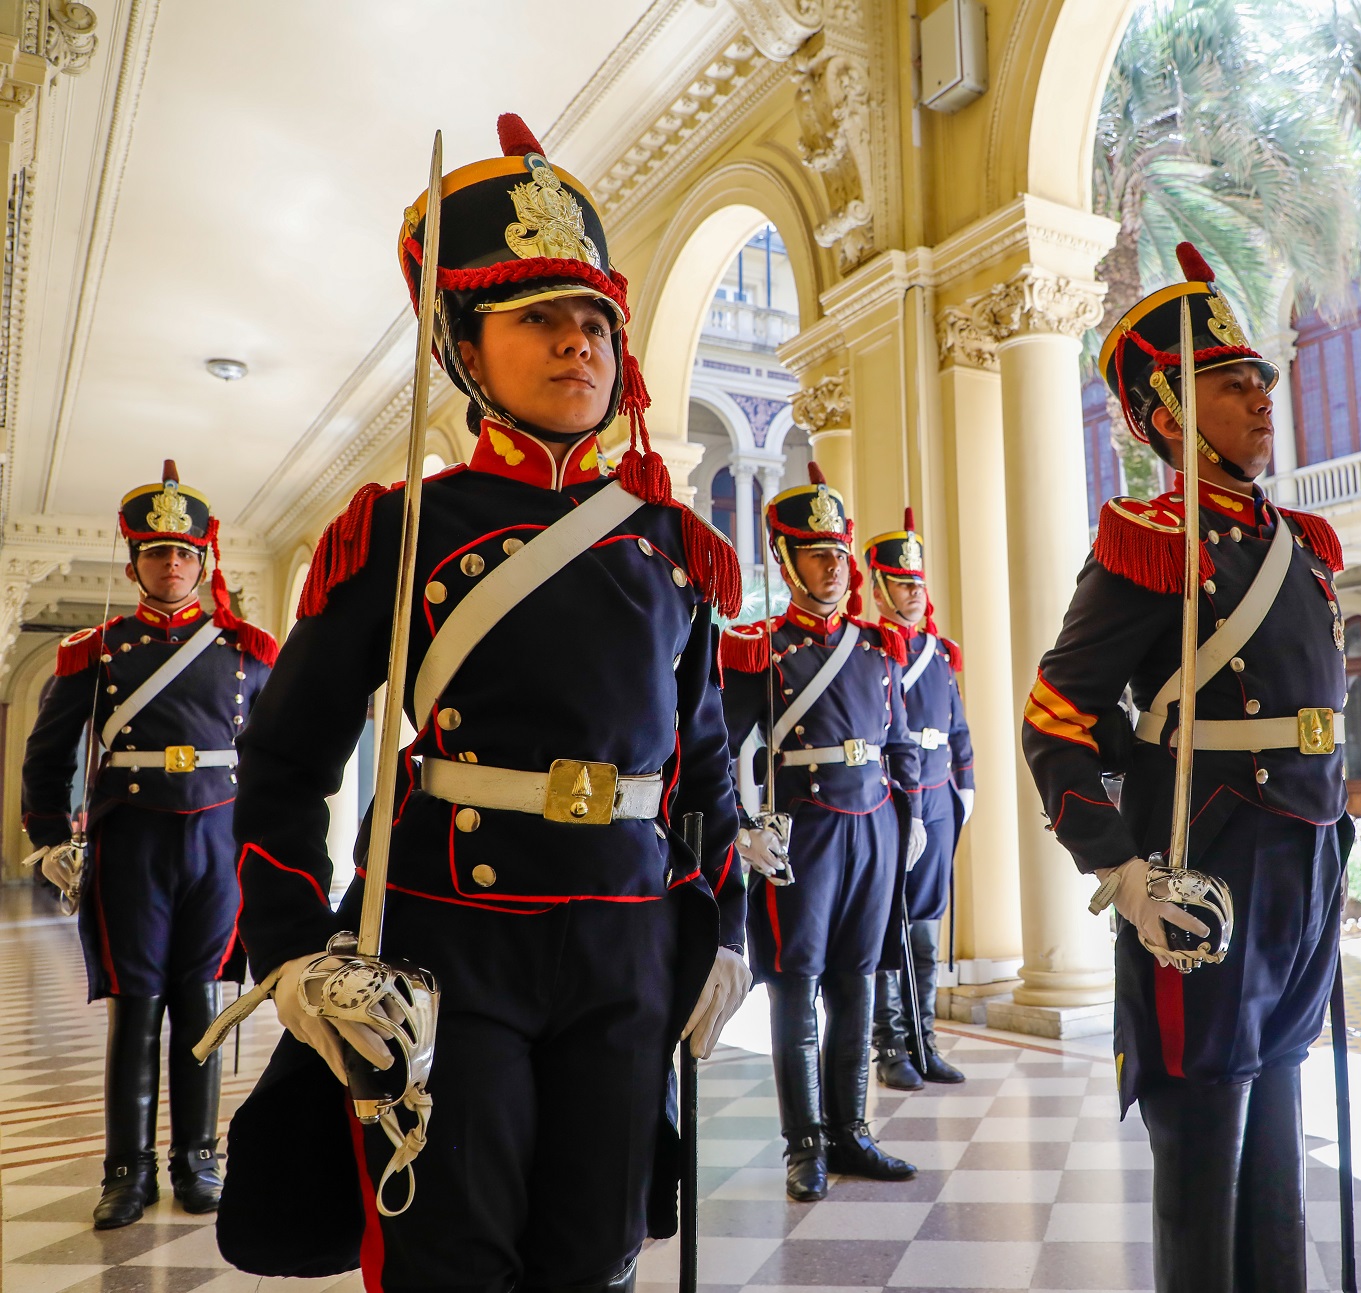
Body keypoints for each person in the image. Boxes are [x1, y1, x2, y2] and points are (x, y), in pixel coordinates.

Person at [218, 114, 750, 1290]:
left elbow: (708, 776)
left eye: (596, 321)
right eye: (540, 320)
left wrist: (727, 933)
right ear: (465, 348)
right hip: (449, 937)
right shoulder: (400, 532)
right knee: (450, 1253)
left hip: (623, 941)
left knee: (594, 1252)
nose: (580, 345)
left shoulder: (674, 548)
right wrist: (300, 956)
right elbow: (284, 758)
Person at [1021, 243, 1352, 1293]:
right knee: (1204, 1128)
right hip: (1205, 860)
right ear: (1164, 411)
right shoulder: (1147, 539)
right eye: (1227, 382)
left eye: (1257, 377)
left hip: (1305, 855)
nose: (1260, 397)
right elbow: (1054, 718)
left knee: (1280, 1118)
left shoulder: (1299, 545)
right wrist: (1120, 869)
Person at [19, 463, 277, 1228]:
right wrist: (47, 840)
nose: (173, 565)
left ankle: (198, 1160)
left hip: (216, 844)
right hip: (130, 844)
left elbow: (281, 755)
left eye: (186, 553)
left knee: (199, 1004)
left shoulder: (248, 651)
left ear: (204, 561)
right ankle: (125, 1173)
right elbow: (46, 758)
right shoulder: (90, 652)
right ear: (134, 562)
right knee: (136, 1005)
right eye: (159, 553)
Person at [722, 468, 923, 1201]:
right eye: (816, 553)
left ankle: (852, 1131)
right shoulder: (760, 648)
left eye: (838, 550)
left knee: (857, 984)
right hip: (800, 836)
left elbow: (898, 744)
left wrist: (915, 823)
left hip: (873, 829)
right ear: (786, 560)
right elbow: (714, 748)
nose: (833, 564)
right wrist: (740, 827)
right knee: (796, 988)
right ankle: (803, 1142)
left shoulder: (879, 649)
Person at [861, 509, 973, 1090]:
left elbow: (958, 728)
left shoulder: (940, 651)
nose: (912, 592)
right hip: (887, 802)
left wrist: (967, 788)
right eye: (901, 582)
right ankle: (890, 1046)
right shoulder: (873, 650)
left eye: (917, 582)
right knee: (888, 923)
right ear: (877, 585)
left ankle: (925, 1041)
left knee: (926, 923)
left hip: (939, 797)